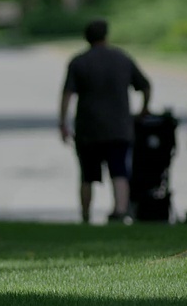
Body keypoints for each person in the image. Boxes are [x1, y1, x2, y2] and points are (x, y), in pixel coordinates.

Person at [59, 19, 151, 224]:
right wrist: (143, 109)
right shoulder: (122, 59)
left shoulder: (79, 61)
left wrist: (63, 123)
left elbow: (67, 94)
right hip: (119, 127)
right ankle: (120, 211)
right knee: (119, 171)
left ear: (86, 37)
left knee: (87, 175)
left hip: (88, 128)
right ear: (106, 36)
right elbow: (145, 85)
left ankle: (85, 215)